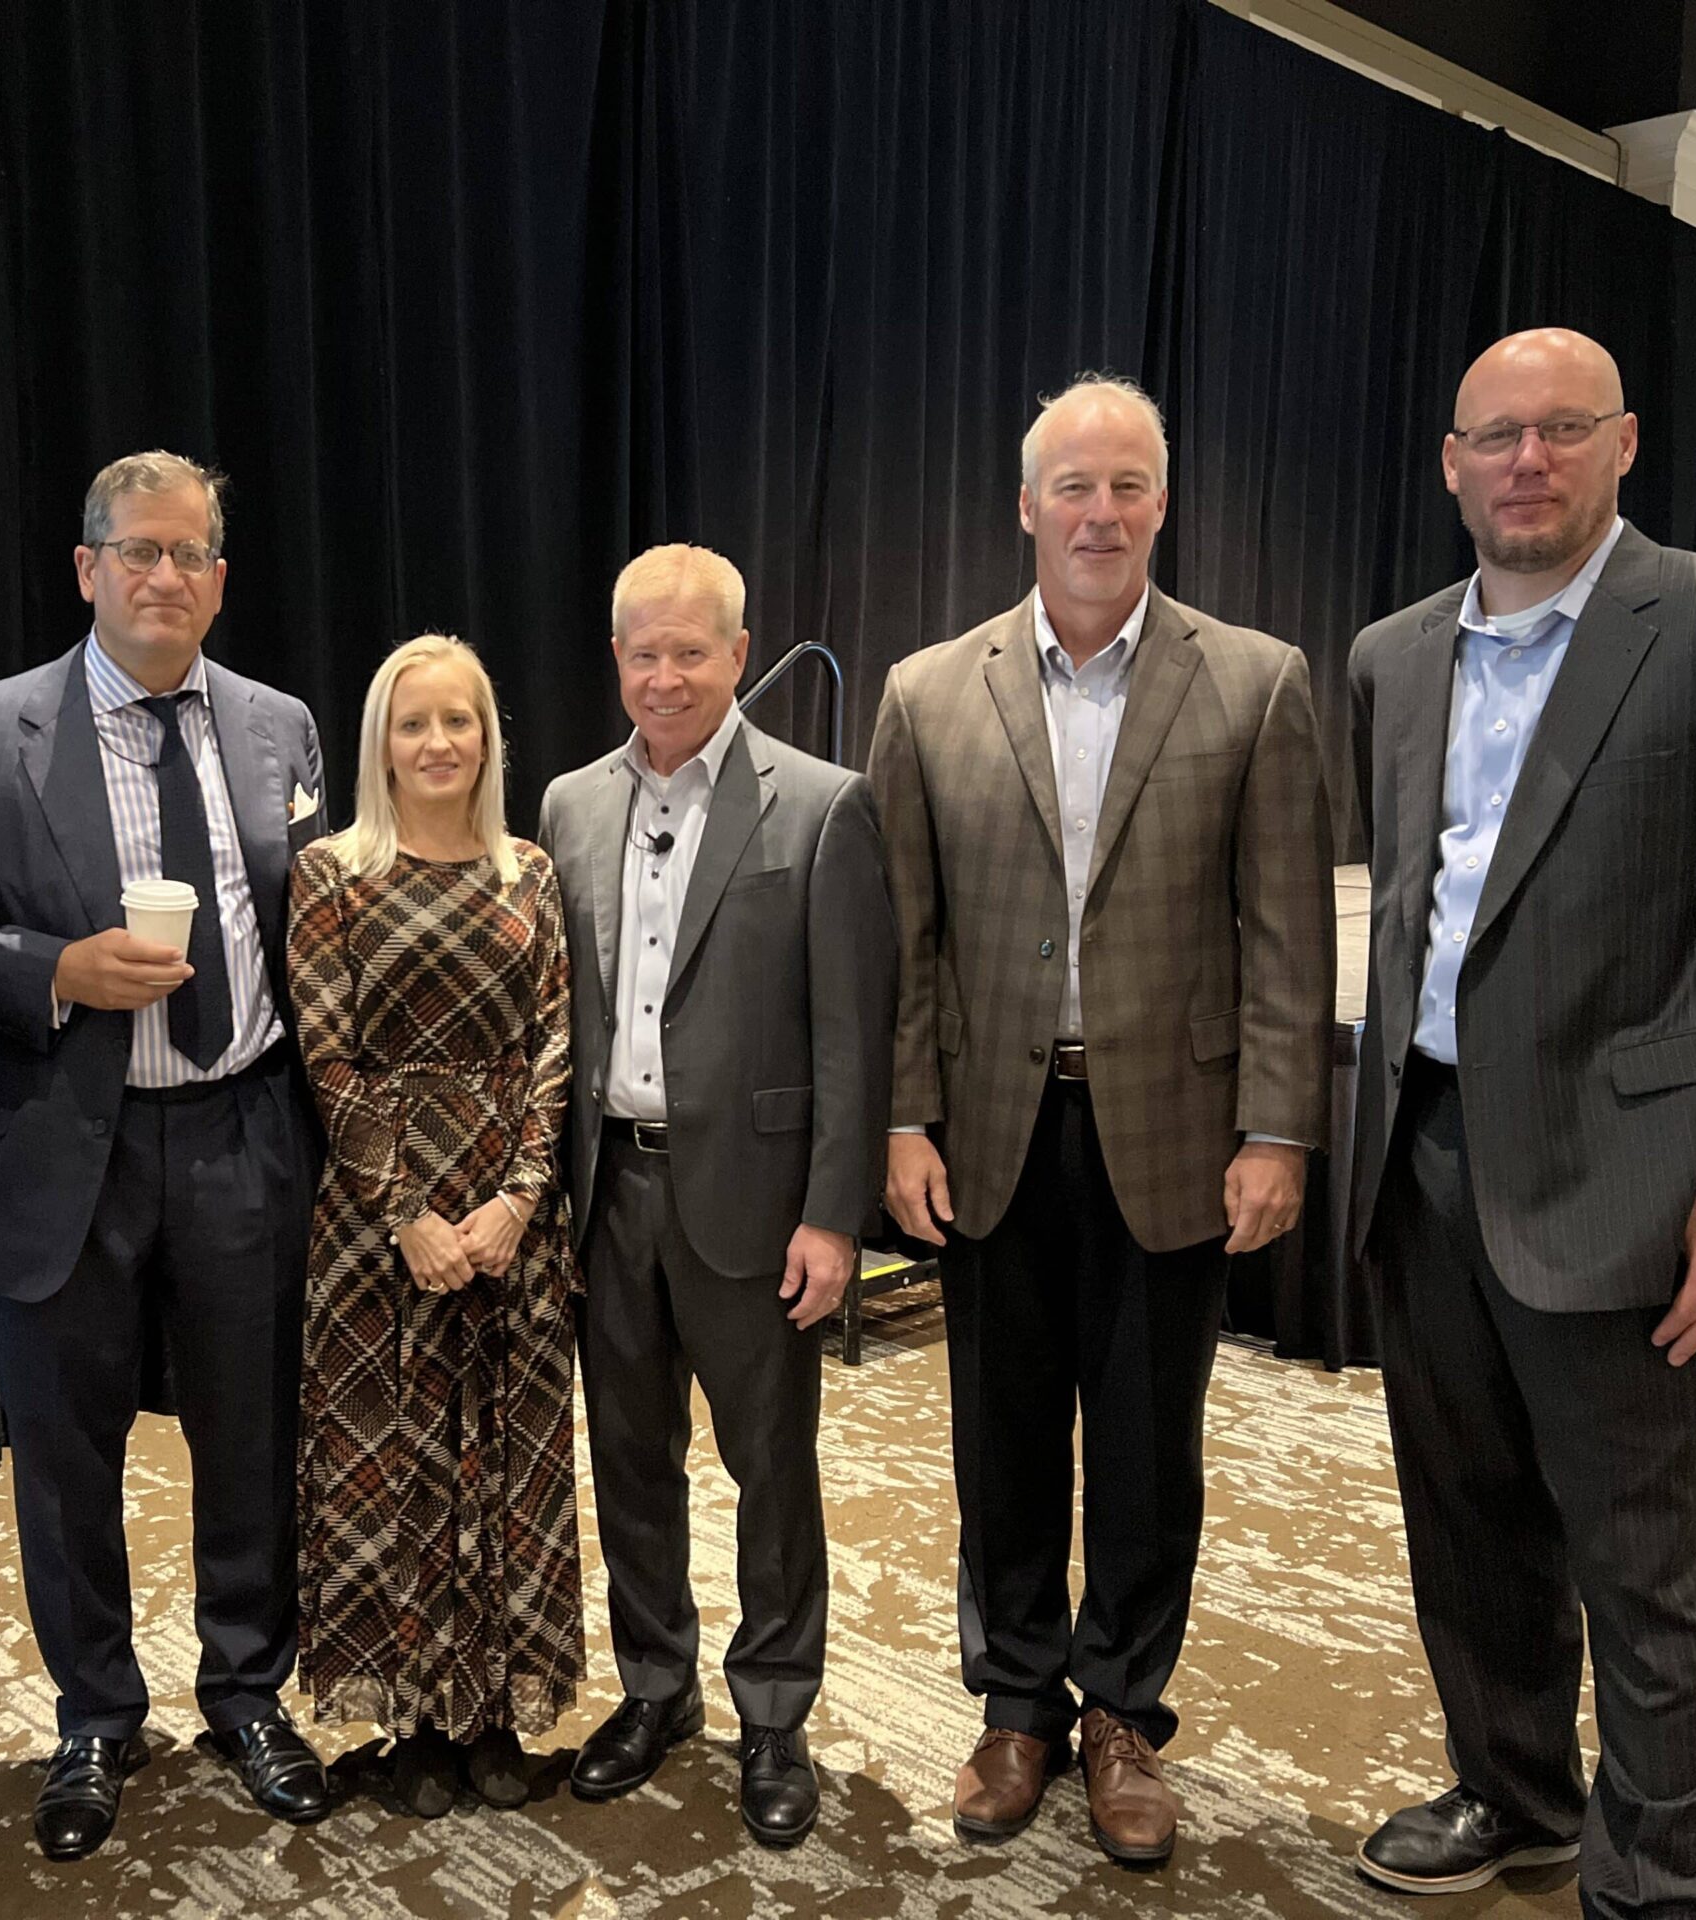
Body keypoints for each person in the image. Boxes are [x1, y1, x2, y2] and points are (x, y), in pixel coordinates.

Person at [1345, 328, 1696, 1913]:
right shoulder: (1393, 655)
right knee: (1467, 1521)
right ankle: (1516, 1792)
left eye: (1562, 429)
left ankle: (1660, 1880)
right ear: (1452, 465)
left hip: (1630, 1181)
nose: (1528, 460)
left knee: (1647, 1560)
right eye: (1497, 436)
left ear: (1622, 444)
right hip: (1423, 1156)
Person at [869, 375, 1333, 1868]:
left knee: (1146, 1447)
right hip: (988, 1133)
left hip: (1174, 1132)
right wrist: (903, 1118)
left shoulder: (1254, 682)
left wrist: (1278, 1129)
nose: (1100, 511)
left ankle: (1123, 1710)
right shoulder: (927, 693)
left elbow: (1286, 934)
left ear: (1162, 503)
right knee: (999, 1436)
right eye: (1073, 485)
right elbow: (904, 940)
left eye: (1128, 484)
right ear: (1026, 507)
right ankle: (1017, 1702)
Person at [0, 450, 332, 1860]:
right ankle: (94, 1713)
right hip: (57, 1141)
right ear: (87, 569)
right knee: (66, 1454)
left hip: (243, 1128)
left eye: (190, 553)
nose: (164, 576)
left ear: (220, 578)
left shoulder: (279, 727)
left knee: (252, 1434)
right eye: (138, 550)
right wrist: (53, 967)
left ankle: (248, 1689)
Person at [537, 542, 895, 1850]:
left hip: (756, 1201)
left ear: (739, 654)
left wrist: (834, 1215)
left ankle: (776, 1713)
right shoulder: (569, 806)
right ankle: (655, 1687)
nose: (666, 676)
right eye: (644, 652)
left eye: (691, 651)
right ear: (616, 658)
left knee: (769, 1470)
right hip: (607, 1194)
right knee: (631, 1463)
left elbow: (854, 1035)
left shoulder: (822, 807)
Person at [286, 633, 584, 1818]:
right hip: (378, 1227)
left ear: (488, 736)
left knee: (508, 1467)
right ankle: (412, 1722)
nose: (437, 742)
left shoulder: (530, 872)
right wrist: (408, 1212)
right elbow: (327, 1055)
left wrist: (519, 1198)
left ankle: (497, 1712)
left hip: (512, 1217)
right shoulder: (330, 874)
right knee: (390, 1467)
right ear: (381, 743)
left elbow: (555, 1042)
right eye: (414, 723)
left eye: (458, 720)